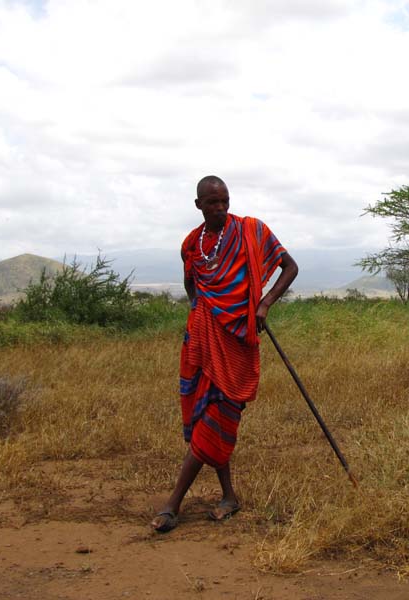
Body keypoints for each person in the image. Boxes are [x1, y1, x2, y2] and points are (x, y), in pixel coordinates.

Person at [151, 175, 298, 533]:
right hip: (201, 340)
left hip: (237, 341)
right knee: (208, 417)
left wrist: (263, 303)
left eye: (224, 200)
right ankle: (229, 497)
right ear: (198, 204)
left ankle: (173, 504)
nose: (220, 208)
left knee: (219, 415)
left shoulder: (252, 231)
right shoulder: (191, 244)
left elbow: (290, 267)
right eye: (212, 202)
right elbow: (191, 284)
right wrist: (201, 311)